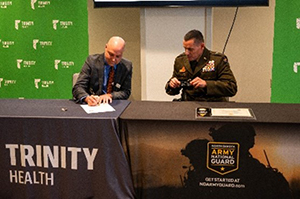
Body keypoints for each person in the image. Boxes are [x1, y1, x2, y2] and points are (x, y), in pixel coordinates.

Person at [165, 29, 237, 102]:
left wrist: (206, 84)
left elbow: (231, 88)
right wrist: (172, 85)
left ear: (202, 46)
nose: (187, 53)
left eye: (190, 49)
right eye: (185, 48)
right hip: (187, 104)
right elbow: (172, 91)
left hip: (212, 104)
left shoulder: (217, 60)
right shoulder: (181, 60)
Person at [72, 36, 132, 105]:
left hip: (113, 104)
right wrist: (87, 98)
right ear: (106, 47)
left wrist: (110, 95)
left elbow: (126, 91)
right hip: (92, 104)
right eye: (111, 54)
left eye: (117, 56)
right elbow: (78, 87)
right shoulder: (92, 61)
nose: (113, 59)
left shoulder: (127, 66)